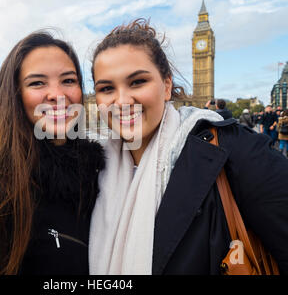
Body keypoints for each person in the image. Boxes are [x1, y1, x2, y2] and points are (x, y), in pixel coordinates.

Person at [88, 19, 288, 275]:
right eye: (106, 88)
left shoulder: (232, 149)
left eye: (137, 82)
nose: (123, 100)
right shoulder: (93, 169)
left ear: (167, 86)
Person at [0, 32, 105, 274]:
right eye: (37, 82)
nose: (57, 94)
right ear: (14, 94)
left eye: (68, 80)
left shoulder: (102, 173)